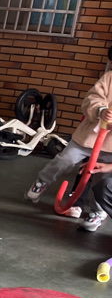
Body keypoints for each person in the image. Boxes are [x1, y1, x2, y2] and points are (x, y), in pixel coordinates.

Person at [25, 68, 112, 230]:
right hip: (88, 137)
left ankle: (98, 212)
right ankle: (42, 181)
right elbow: (92, 97)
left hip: (110, 147)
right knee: (65, 159)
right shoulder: (109, 77)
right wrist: (100, 110)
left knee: (104, 180)